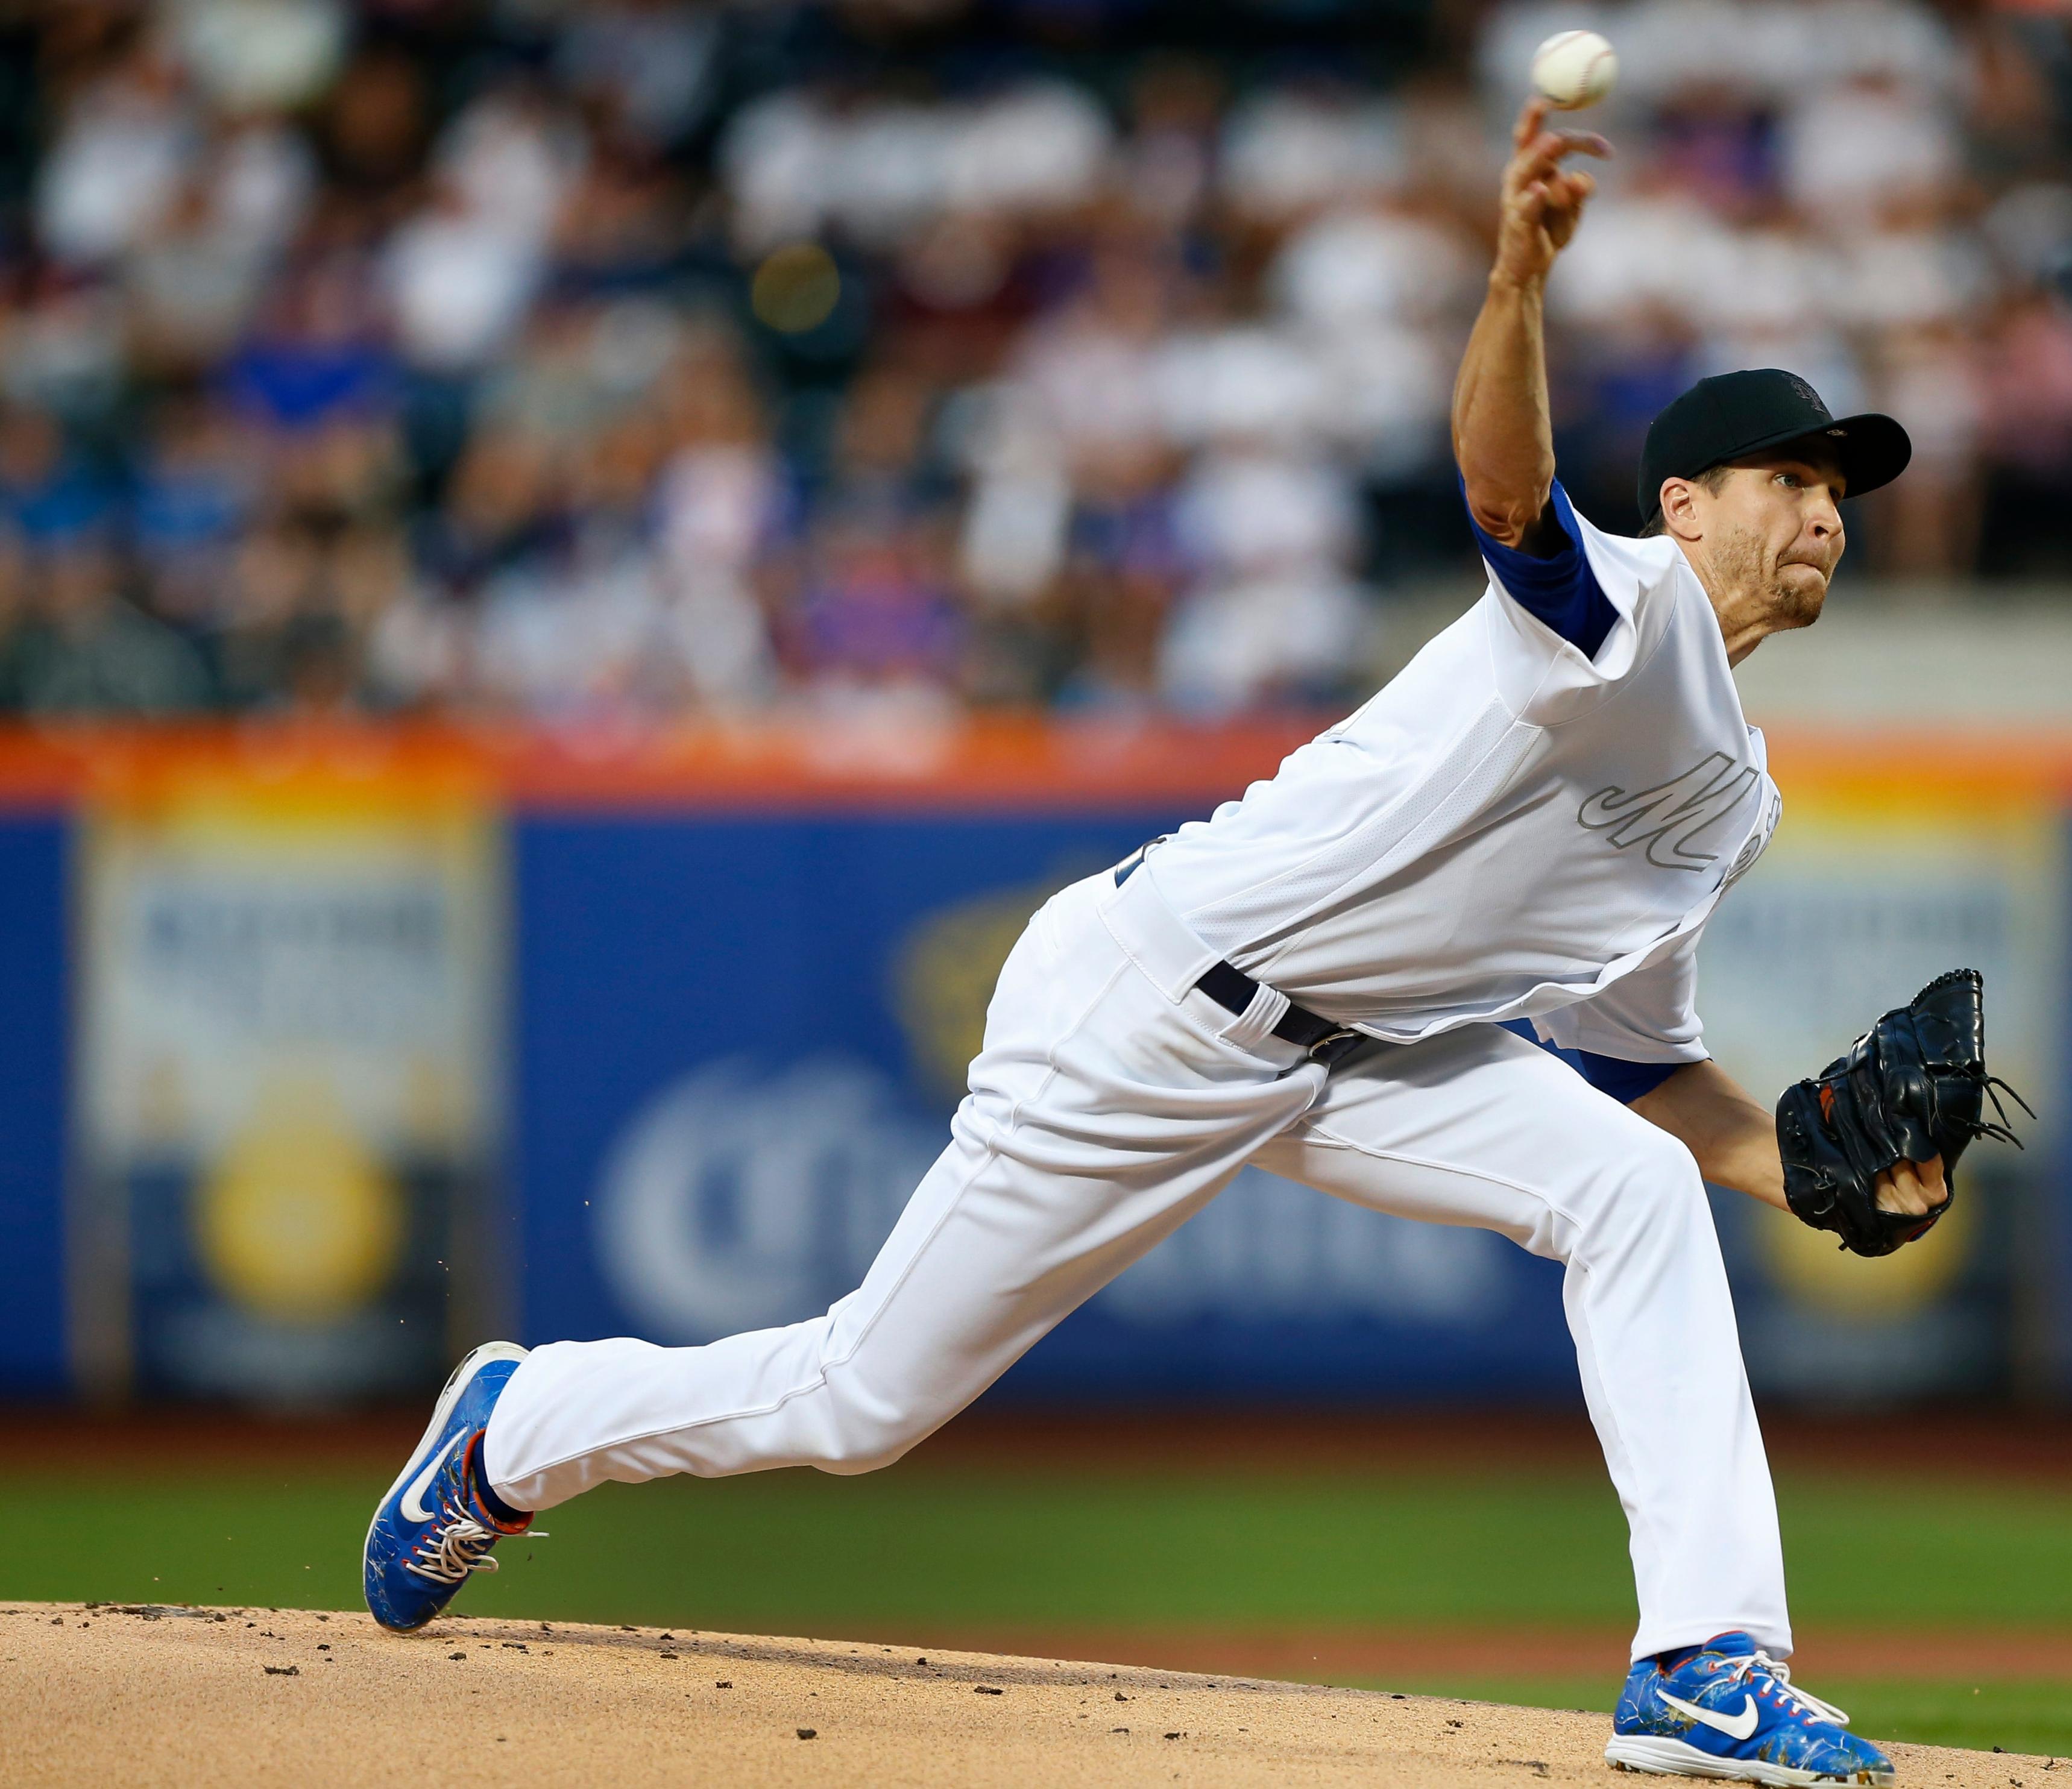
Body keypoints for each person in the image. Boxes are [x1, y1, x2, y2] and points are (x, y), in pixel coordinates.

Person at [364, 100, 1932, 1786]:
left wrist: (1828, 1176)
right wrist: (1515, 282)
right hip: (1156, 1002)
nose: (1826, 509)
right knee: (861, 1404)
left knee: (1633, 1191)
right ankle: (518, 1428)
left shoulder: (1734, 800)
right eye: (1793, 478)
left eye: (1840, 486)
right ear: (1686, 506)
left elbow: (1635, 1065)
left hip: (1372, 1054)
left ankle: (1707, 1661)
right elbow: (1502, 482)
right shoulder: (1623, 611)